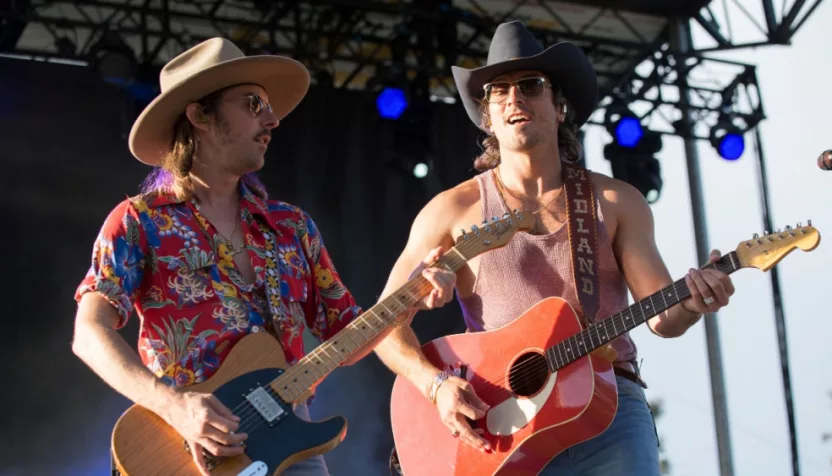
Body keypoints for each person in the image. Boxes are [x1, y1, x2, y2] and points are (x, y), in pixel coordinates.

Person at [70, 37, 456, 476]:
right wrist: (175, 407)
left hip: (290, 437)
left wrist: (412, 296)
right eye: (253, 104)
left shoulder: (291, 227)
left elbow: (345, 336)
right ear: (199, 115)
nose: (272, 120)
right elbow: (88, 334)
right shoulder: (139, 221)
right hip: (187, 448)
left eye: (268, 107)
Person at [373, 21, 735, 475]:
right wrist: (436, 386)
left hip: (610, 412)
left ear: (559, 106)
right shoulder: (452, 210)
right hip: (501, 426)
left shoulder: (616, 202)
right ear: (487, 115)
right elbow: (383, 324)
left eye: (530, 85)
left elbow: (664, 318)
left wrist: (697, 300)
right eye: (498, 91)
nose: (514, 99)